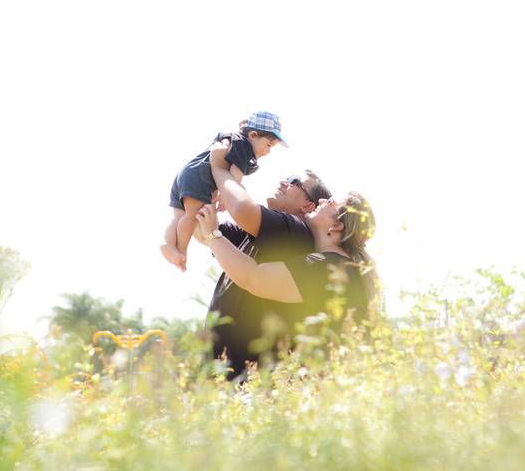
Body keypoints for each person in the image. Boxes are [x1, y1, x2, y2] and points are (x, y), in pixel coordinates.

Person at [194, 191, 380, 371]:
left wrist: (212, 234)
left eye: (330, 202)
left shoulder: (327, 267)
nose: (322, 200)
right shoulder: (342, 267)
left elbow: (253, 277)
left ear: (337, 225)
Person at [204, 143, 333, 379]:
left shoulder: (295, 233)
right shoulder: (262, 233)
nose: (284, 182)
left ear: (308, 206)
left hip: (250, 382)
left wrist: (218, 167)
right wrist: (200, 192)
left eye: (294, 181)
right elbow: (205, 231)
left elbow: (241, 207)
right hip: (224, 378)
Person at [160, 111, 287, 272]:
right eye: (269, 145)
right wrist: (226, 197)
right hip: (200, 177)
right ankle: (181, 250)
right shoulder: (244, 146)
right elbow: (235, 175)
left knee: (178, 217)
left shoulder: (231, 138)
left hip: (187, 174)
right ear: (253, 135)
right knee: (193, 216)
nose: (268, 151)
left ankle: (167, 245)